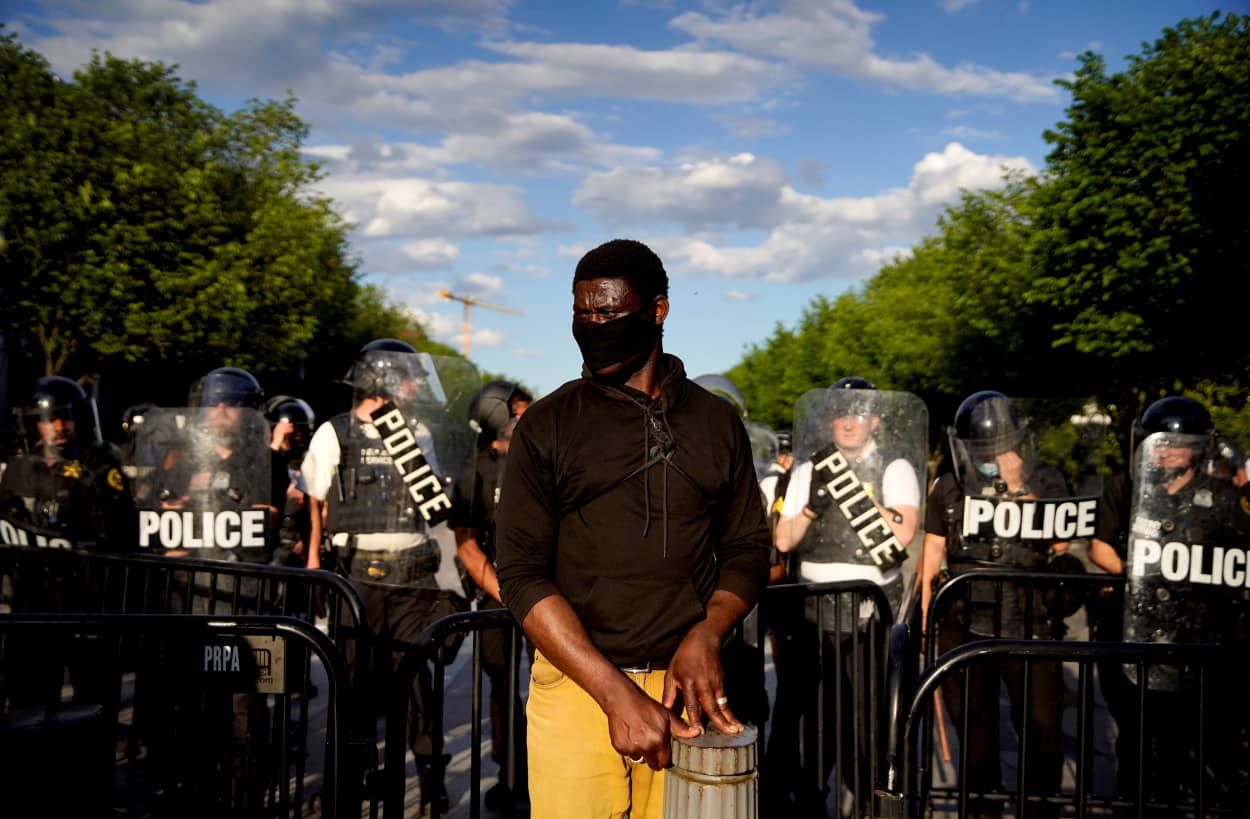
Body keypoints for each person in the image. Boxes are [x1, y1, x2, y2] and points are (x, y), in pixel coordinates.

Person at [494, 238, 771, 819]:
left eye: (609, 313)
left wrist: (707, 634)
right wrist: (613, 691)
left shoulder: (716, 421)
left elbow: (747, 547)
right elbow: (520, 575)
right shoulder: (546, 424)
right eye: (582, 313)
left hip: (687, 687)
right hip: (576, 684)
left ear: (658, 309)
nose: (594, 325)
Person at [301, 337, 468, 814]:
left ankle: (431, 782)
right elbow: (315, 499)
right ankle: (347, 782)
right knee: (354, 687)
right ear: (382, 380)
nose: (415, 384)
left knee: (418, 688)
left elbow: (431, 503)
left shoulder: (414, 431)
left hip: (411, 576)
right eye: (407, 375)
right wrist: (314, 560)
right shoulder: (335, 432)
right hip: (357, 577)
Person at [770, 377, 923, 815]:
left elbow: (901, 535)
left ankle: (868, 801)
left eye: (858, 413)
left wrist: (853, 490)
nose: (848, 422)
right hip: (813, 609)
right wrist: (814, 506)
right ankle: (807, 800)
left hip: (869, 612)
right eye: (840, 413)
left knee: (866, 722)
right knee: (810, 721)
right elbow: (784, 539)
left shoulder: (893, 467)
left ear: (874, 420)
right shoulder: (810, 468)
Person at [919, 390, 1074, 819]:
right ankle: (981, 810)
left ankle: (1039, 807)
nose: (988, 457)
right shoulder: (949, 482)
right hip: (963, 620)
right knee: (974, 728)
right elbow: (932, 557)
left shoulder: (1047, 480)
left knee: (1042, 728)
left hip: (1030, 620)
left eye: (997, 448)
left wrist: (1021, 492)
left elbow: (1060, 546)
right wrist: (924, 622)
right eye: (980, 451)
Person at [1112, 396, 1250, 806]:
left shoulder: (1223, 498)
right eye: (1161, 443)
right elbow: (1103, 544)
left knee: (1198, 741)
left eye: (1179, 443)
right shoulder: (1130, 488)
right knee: (1137, 740)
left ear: (1199, 447)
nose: (1168, 450)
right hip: (1141, 629)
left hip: (1201, 638)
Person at [449, 379, 531, 816]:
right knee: (501, 689)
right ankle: (510, 774)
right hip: (499, 598)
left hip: (548, 594)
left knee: (553, 686)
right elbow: (466, 542)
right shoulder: (474, 468)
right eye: (519, 409)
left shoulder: (542, 453)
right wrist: (505, 590)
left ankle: (546, 771)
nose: (527, 414)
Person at [0, 375, 129, 553]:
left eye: (66, 417)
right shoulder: (19, 466)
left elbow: (116, 528)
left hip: (81, 568)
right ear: (36, 423)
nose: (60, 427)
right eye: (50, 419)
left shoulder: (99, 464)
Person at [265, 394, 316, 568]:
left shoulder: (309, 462)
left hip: (299, 541)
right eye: (288, 434)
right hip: (273, 544)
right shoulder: (265, 461)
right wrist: (277, 443)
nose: (294, 437)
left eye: (297, 433)